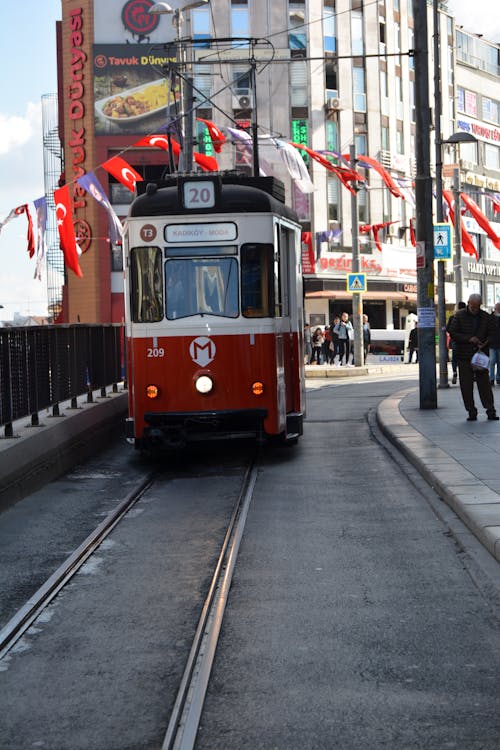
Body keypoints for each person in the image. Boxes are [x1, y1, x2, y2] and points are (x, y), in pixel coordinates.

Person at [448, 293, 498, 421]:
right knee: (466, 385)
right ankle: (471, 411)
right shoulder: (459, 316)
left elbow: (493, 333)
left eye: (477, 306)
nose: (474, 308)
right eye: (472, 305)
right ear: (468, 303)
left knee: (484, 384)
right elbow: (453, 332)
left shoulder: (486, 317)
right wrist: (469, 338)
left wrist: (486, 342)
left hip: (480, 355)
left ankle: (490, 410)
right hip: (464, 356)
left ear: (480, 305)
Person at [446, 301, 466, 384]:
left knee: (455, 358)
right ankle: (464, 374)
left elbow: (448, 328)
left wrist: (454, 335)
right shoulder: (467, 318)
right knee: (465, 358)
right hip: (466, 342)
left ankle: (454, 372)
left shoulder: (453, 317)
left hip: (455, 341)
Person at [490, 302, 500, 386]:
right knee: (492, 361)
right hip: (492, 343)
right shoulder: (490, 318)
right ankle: (491, 378)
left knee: (499, 362)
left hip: (498, 343)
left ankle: (498, 378)